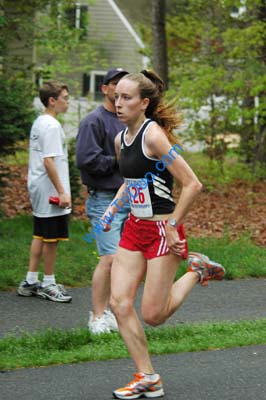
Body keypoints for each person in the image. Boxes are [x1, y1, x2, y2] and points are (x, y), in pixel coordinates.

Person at [99, 70, 225, 399]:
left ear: (144, 103)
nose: (118, 102)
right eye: (116, 96)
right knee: (119, 303)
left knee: (153, 315)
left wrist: (172, 226)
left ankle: (197, 270)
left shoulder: (153, 136)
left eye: (126, 97)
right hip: (135, 229)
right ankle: (147, 377)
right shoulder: (119, 140)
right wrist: (113, 208)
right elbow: (132, 181)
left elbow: (193, 183)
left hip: (162, 230)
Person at [76, 67, 130, 334]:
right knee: (109, 259)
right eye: (115, 84)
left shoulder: (129, 119)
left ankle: (114, 312)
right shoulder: (93, 121)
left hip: (131, 197)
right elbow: (86, 160)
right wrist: (119, 161)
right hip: (104, 200)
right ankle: (97, 316)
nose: (120, 90)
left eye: (125, 85)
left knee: (125, 260)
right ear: (105, 89)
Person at [17, 80, 72, 303]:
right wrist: (62, 192)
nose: (68, 102)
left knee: (40, 233)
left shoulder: (40, 122)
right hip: (50, 189)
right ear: (52, 100)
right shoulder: (51, 126)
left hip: (39, 186)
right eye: (65, 98)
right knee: (52, 238)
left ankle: (30, 281)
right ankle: (48, 284)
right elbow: (49, 161)